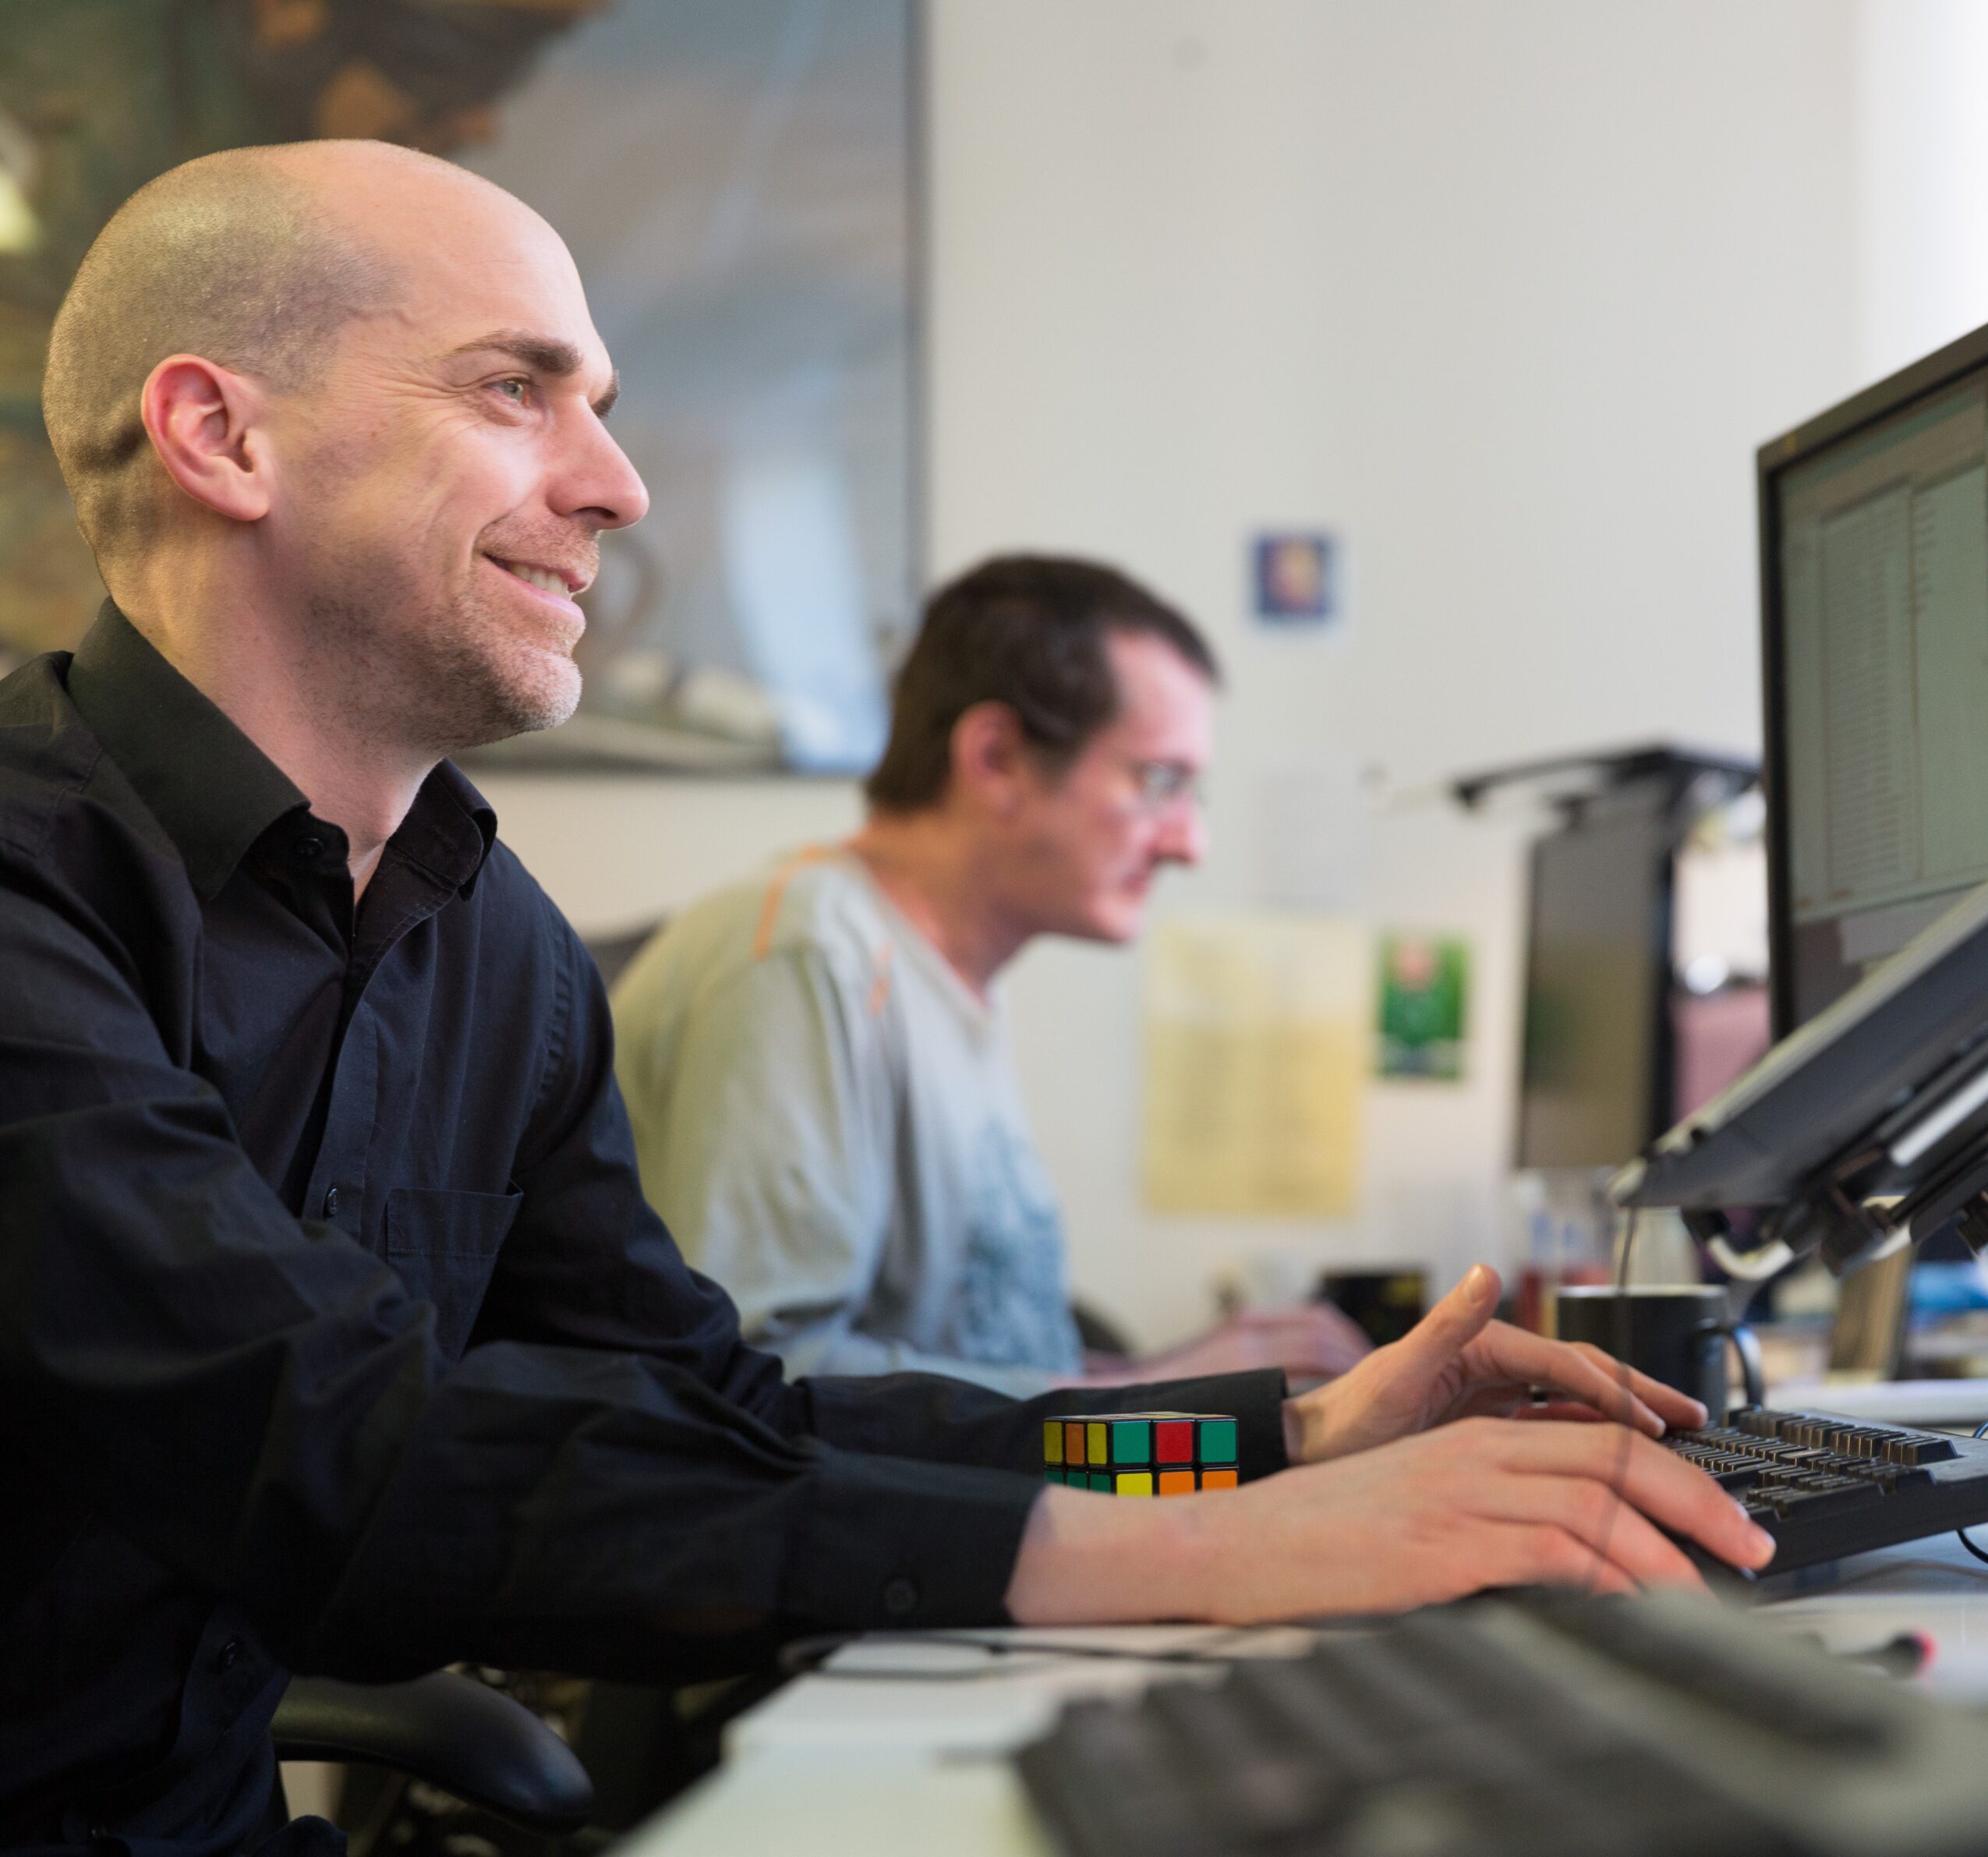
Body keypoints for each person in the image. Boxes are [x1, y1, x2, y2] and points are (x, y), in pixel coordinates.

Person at [1, 139, 1770, 1857]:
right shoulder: (26, 884)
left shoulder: (492, 945)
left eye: (602, 404)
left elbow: (737, 1409)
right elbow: (331, 1449)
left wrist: (1276, 1439)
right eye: (515, 391)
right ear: (222, 434)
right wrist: (1223, 1553)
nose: (617, 484)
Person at [611, 555, 1371, 1394]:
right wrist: (1156, 1402)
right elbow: (760, 1382)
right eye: (1159, 782)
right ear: (997, 757)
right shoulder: (805, 958)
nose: (1191, 844)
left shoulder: (948, 971)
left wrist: (1180, 1378)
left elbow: (979, 1362)